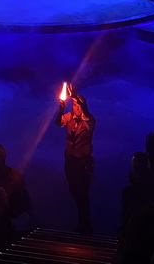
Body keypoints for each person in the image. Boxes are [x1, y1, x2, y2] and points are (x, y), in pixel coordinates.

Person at [55, 83, 95, 235]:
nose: (75, 107)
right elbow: (58, 123)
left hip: (82, 162)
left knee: (82, 193)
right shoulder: (69, 116)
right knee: (74, 191)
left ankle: (86, 226)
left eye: (77, 105)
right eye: (74, 105)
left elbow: (86, 113)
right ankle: (83, 223)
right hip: (70, 161)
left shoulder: (89, 121)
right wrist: (60, 110)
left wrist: (77, 98)